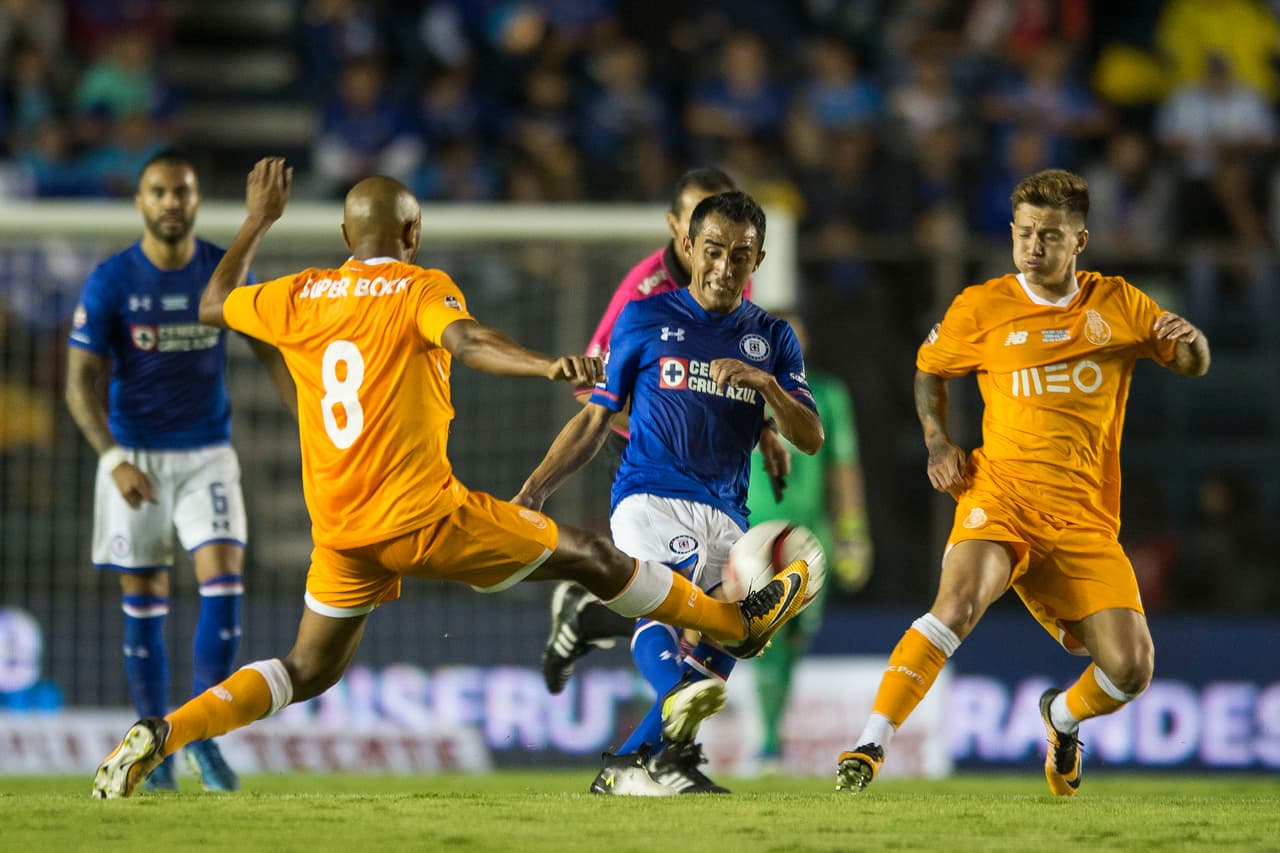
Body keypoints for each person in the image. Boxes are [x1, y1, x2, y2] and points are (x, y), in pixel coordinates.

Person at [92, 159, 809, 800]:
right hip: (427, 518)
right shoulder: (419, 288)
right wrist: (543, 363)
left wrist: (257, 220)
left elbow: (212, 303)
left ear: (344, 234)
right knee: (593, 554)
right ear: (414, 233)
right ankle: (731, 623)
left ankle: (165, 731)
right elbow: (467, 340)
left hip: (342, 533)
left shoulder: (299, 293)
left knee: (306, 668)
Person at [835, 168, 1210, 797]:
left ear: (1080, 241)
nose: (1034, 246)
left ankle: (1061, 717)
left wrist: (1191, 340)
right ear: (1012, 232)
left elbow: (1192, 363)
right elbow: (930, 371)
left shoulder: (1118, 304)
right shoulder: (981, 307)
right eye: (1025, 232)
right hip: (1000, 497)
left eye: (1050, 235)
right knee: (956, 605)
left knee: (1131, 669)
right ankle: (870, 745)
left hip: (1084, 521)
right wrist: (937, 440)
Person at [514, 190, 823, 795]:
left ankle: (631, 765)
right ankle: (674, 698)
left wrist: (767, 387)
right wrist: (533, 492)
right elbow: (595, 417)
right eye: (713, 250)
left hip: (728, 511)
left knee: (737, 632)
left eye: (740, 255)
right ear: (688, 246)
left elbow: (810, 437)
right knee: (671, 601)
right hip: (649, 495)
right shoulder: (644, 316)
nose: (724, 267)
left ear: (758, 261)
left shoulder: (772, 337)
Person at [66, 149, 296, 793]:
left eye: (183, 192)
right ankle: (152, 748)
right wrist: (113, 459)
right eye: (160, 191)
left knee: (224, 582)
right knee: (145, 599)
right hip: (133, 456)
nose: (172, 202)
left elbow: (270, 351)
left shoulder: (221, 272)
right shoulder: (112, 280)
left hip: (207, 454)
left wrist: (314, 429)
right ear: (140, 201)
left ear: (197, 200)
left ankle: (200, 739)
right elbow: (79, 383)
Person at [540, 167, 790, 695]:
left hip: (711, 470)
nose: (721, 249)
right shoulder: (643, 292)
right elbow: (590, 386)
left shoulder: (733, 272)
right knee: (677, 596)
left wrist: (764, 427)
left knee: (692, 598)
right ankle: (670, 707)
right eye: (700, 221)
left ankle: (588, 620)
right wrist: (667, 422)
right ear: (679, 227)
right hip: (644, 451)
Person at [746, 312, 871, 774]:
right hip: (752, 535)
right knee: (767, 635)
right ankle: (767, 743)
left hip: (810, 537)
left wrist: (853, 530)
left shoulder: (828, 394)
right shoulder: (743, 392)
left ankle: (770, 734)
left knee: (794, 638)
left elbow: (844, 467)